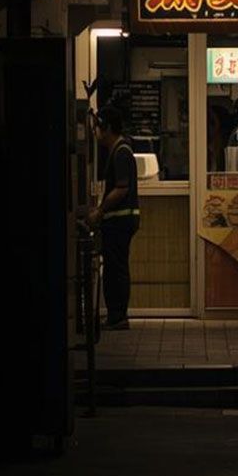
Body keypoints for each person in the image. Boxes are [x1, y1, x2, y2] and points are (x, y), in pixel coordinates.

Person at [87, 105, 139, 330]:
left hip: (119, 220)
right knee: (115, 267)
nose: (96, 132)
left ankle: (118, 316)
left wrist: (99, 211)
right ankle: (117, 315)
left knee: (115, 268)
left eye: (98, 127)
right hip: (121, 220)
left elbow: (121, 188)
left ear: (107, 128)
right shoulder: (121, 150)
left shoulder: (121, 152)